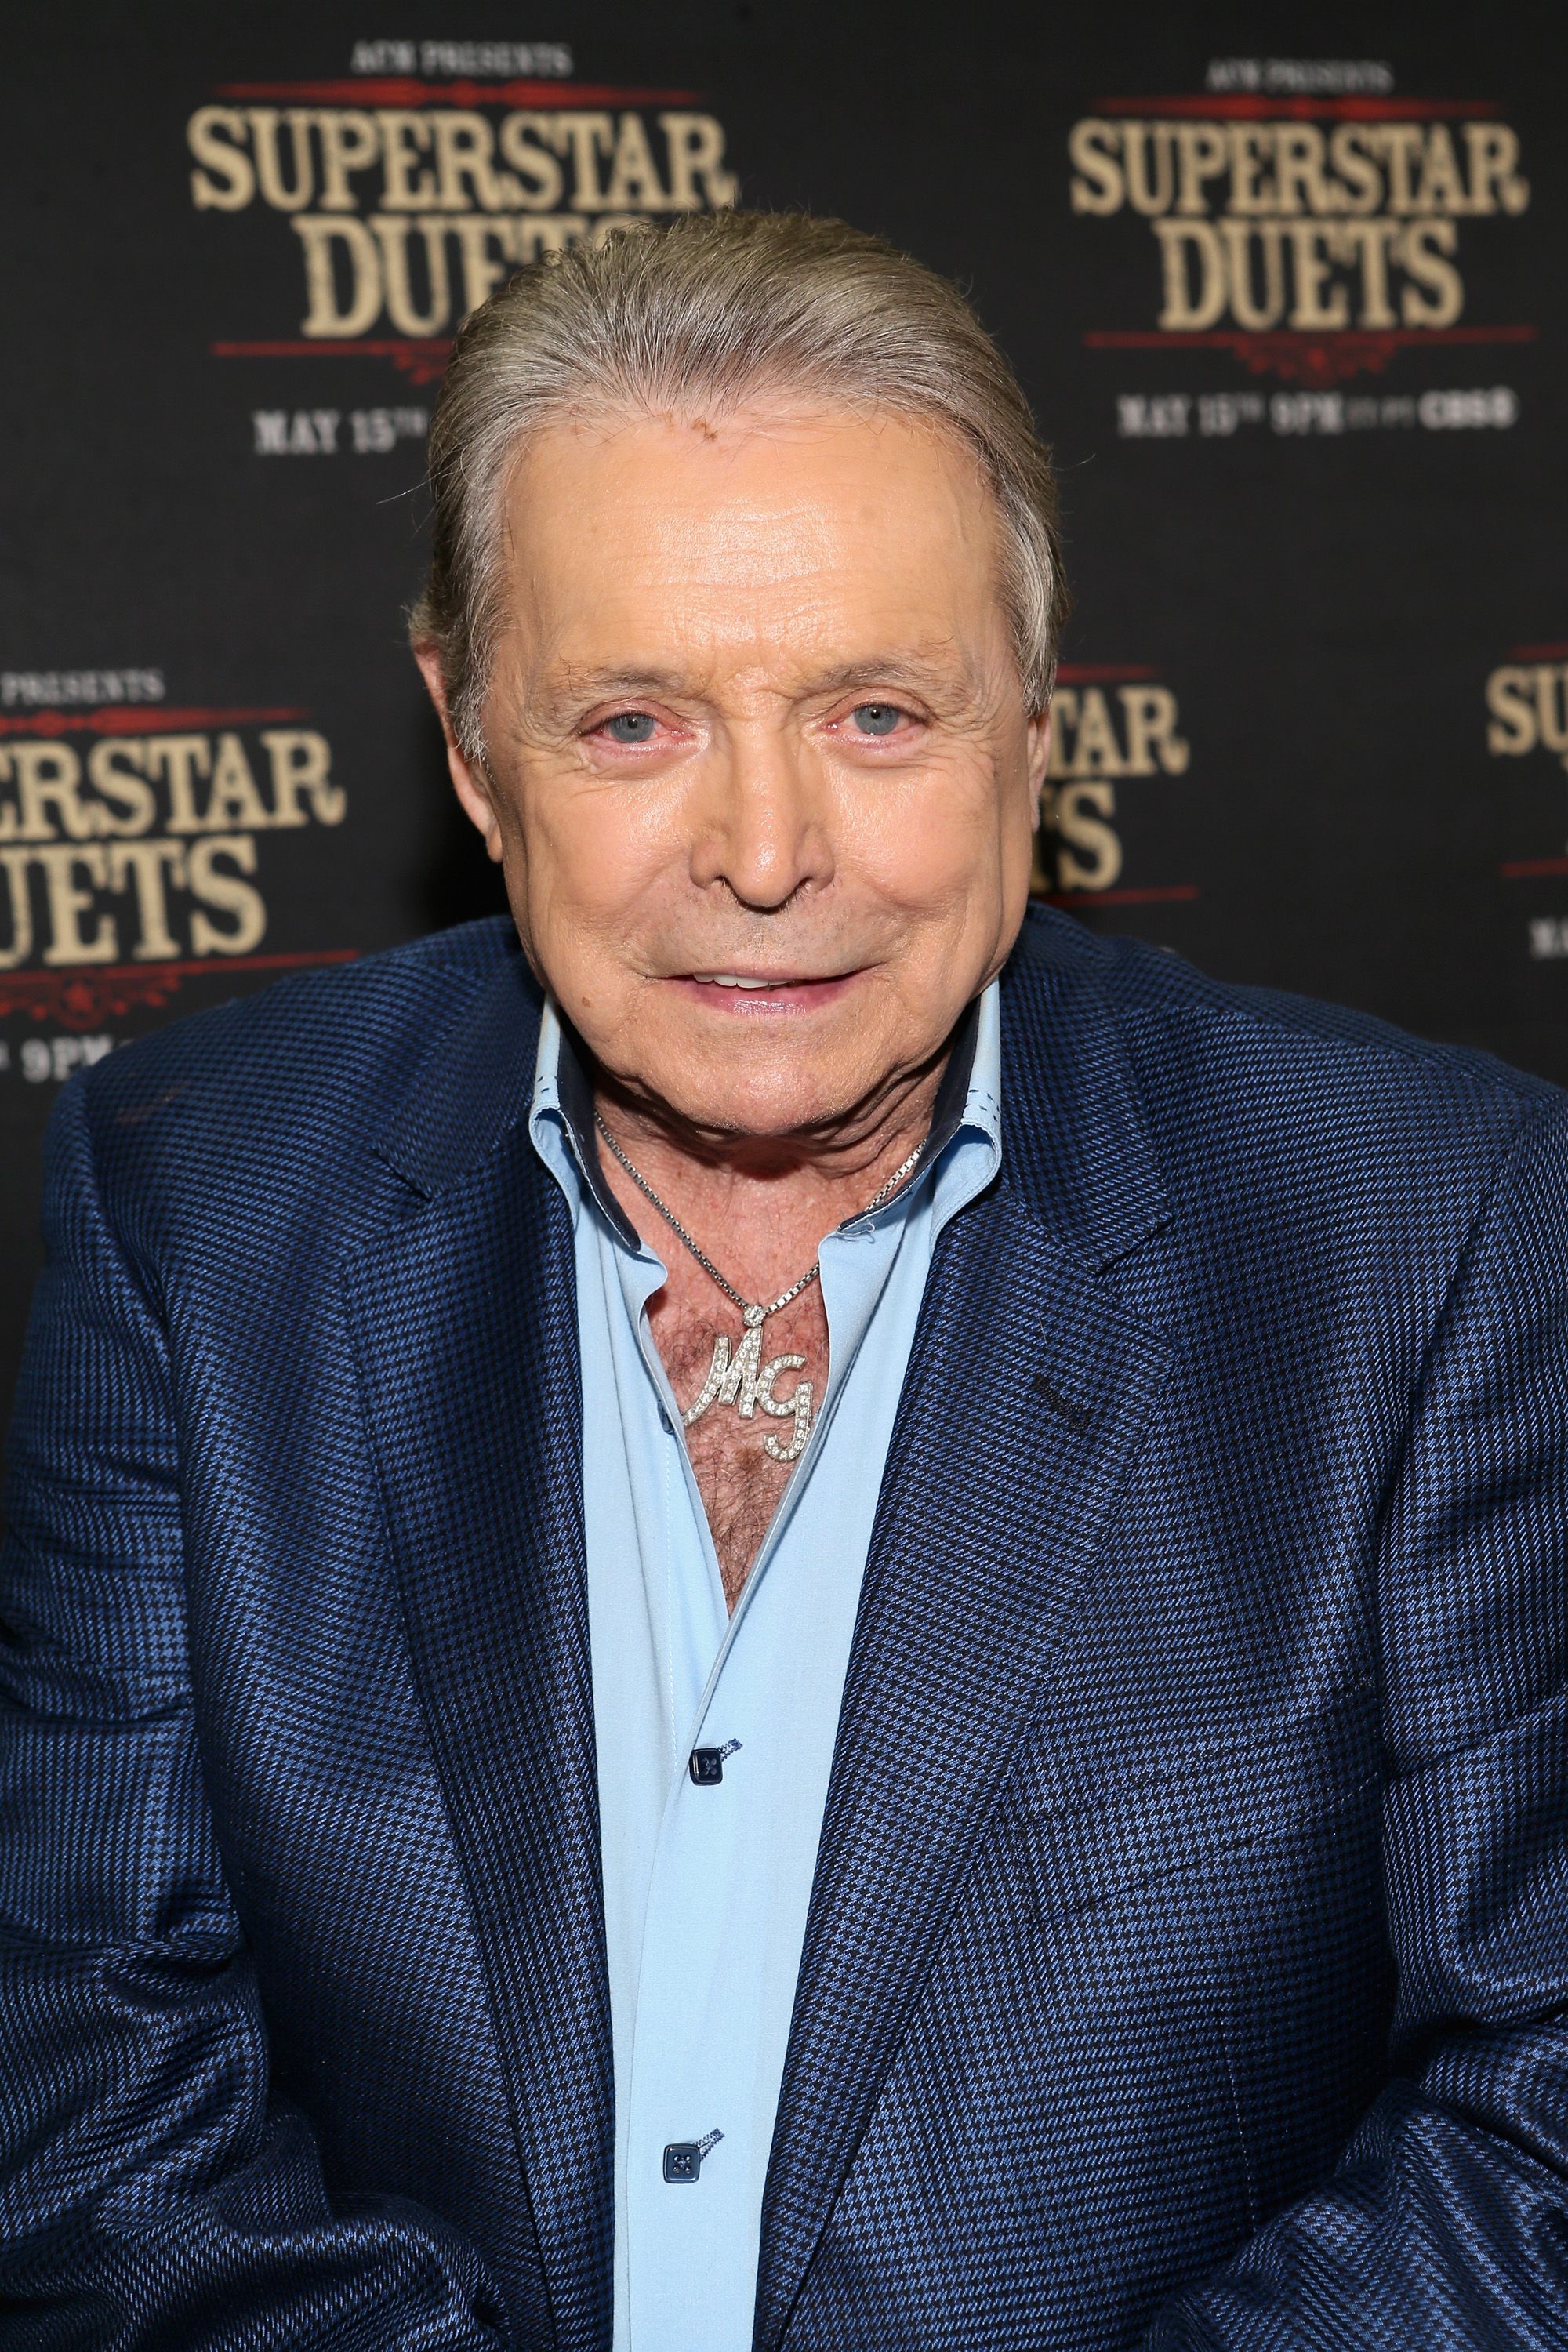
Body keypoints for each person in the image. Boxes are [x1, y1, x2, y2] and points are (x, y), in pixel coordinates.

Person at [3, 210, 1567, 2352]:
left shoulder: (1431, 1231)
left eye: (878, 713)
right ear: (471, 749)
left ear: (1035, 724)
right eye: (633, 723)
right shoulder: (194, 1201)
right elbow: (89, 2083)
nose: (763, 850)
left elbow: (1538, 2107)